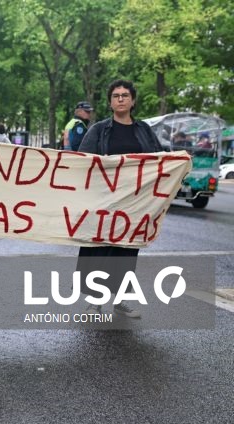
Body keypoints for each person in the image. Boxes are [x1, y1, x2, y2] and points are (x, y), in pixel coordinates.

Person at [77, 79, 163, 318]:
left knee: (127, 250)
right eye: (116, 95)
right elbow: (83, 159)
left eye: (125, 95)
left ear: (133, 100)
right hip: (104, 200)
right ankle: (95, 300)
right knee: (100, 248)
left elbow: (161, 158)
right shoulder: (99, 129)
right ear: (110, 102)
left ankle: (121, 300)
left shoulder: (144, 130)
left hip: (135, 202)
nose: (121, 99)